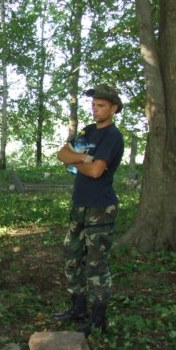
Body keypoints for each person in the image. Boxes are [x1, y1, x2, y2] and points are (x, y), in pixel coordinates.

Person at [53, 84, 124, 336]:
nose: (95, 109)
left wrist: (78, 161)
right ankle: (78, 308)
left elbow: (96, 172)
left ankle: (98, 318)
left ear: (113, 108)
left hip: (101, 207)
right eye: (93, 105)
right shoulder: (88, 131)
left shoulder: (112, 136)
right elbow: (62, 154)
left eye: (101, 105)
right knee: (72, 254)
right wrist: (83, 158)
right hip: (79, 204)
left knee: (96, 263)